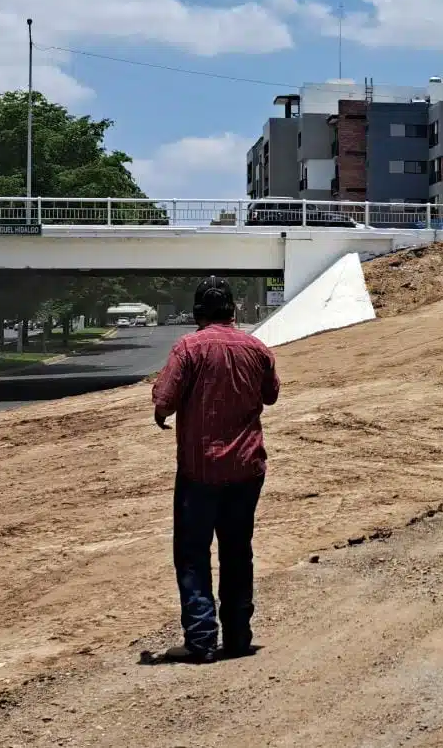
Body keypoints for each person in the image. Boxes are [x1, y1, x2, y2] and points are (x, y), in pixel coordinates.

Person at [149, 276, 281, 664]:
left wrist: (160, 408)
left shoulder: (188, 348)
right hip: (246, 469)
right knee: (238, 551)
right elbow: (271, 395)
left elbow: (166, 399)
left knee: (192, 554)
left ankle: (201, 640)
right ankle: (238, 637)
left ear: (197, 312)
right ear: (233, 310)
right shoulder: (257, 348)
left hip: (199, 470)